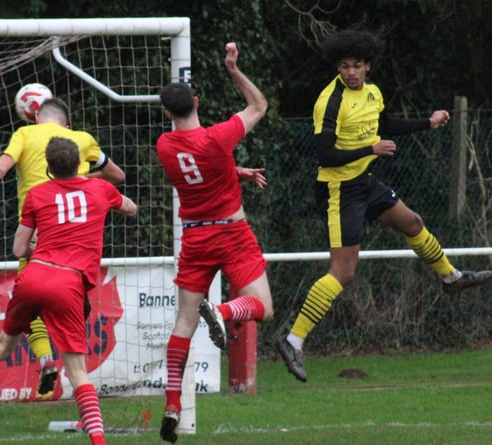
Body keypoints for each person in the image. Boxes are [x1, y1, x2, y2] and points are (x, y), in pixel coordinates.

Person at [275, 29, 492, 384]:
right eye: (344, 66)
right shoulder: (329, 101)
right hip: (338, 188)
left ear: (367, 66)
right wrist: (370, 150)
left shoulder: (373, 92)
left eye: (356, 66)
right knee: (343, 272)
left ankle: (450, 277)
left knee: (412, 222)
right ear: (338, 68)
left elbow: (385, 124)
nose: (350, 72)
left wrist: (429, 122)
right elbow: (325, 155)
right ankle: (293, 339)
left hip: (364, 182)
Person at [0, 137, 137, 445]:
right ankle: (99, 442)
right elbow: (131, 209)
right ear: (80, 163)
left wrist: (43, 246)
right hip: (68, 281)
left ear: (48, 167)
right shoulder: (102, 189)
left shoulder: (37, 194)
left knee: (3, 343)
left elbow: (19, 249)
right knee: (78, 371)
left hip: (33, 274)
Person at [0, 97, 126, 397]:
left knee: (26, 305)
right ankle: (69, 386)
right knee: (67, 320)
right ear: (66, 125)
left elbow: (0, 169)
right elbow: (117, 176)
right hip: (78, 249)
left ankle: (45, 361)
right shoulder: (83, 140)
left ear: (36, 118)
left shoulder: (24, 135)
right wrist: (85, 183)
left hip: (38, 240)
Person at [155, 42, 274, 443]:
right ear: (197, 102)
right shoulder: (218, 137)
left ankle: (173, 403)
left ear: (167, 113)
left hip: (194, 237)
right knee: (262, 306)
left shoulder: (164, 146)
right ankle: (224, 310)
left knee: (183, 323)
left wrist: (235, 171)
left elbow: (200, 170)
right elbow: (259, 105)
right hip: (230, 232)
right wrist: (233, 69)